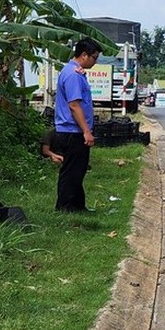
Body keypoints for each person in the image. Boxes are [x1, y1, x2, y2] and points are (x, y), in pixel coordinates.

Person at [52, 37, 101, 212]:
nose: (96, 62)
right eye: (94, 58)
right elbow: (74, 105)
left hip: (74, 130)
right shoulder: (72, 75)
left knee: (78, 170)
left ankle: (77, 206)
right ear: (84, 55)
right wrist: (86, 131)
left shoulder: (77, 72)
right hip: (73, 131)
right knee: (71, 171)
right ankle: (65, 206)